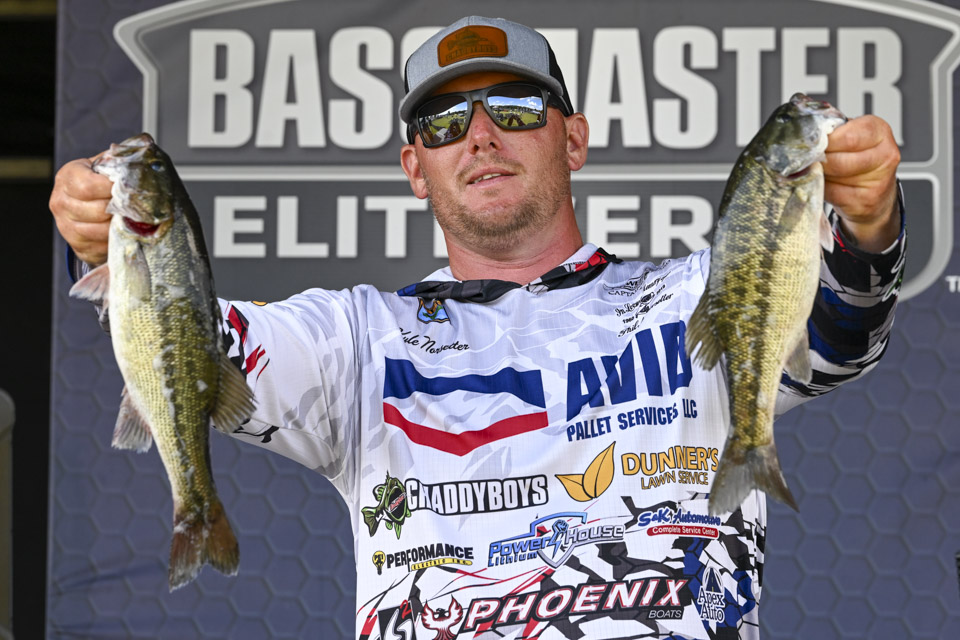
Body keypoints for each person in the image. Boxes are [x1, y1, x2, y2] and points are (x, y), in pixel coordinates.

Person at [51, 15, 903, 640]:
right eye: (444, 122)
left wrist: (867, 222)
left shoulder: (697, 295)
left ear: (574, 139)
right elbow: (185, 340)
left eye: (517, 107)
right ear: (415, 168)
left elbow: (843, 338)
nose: (482, 136)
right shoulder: (356, 340)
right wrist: (106, 239)